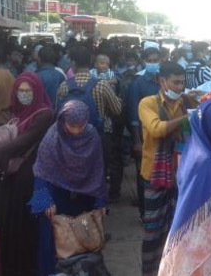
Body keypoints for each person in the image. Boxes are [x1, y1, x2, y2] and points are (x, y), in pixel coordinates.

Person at [0, 73, 54, 275]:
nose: (24, 95)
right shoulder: (17, 113)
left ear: (37, 91)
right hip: (13, 176)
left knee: (30, 221)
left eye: (29, 91)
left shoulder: (44, 114)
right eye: (20, 91)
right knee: (9, 219)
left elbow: (25, 141)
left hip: (35, 178)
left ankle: (29, 265)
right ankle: (12, 264)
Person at [29, 100, 108, 276]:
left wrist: (100, 200)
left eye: (81, 125)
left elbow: (97, 168)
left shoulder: (92, 135)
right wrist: (45, 201)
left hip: (84, 196)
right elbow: (41, 171)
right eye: (72, 126)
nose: (77, 130)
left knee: (84, 237)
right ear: (63, 121)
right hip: (56, 196)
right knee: (53, 240)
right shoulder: (52, 138)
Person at [158, 101, 211, 275]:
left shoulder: (196, 147)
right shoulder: (207, 160)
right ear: (205, 125)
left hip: (189, 233)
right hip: (205, 238)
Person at [138, 62, 198, 276]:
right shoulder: (148, 103)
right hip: (155, 174)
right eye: (175, 82)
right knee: (153, 232)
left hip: (181, 175)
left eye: (182, 83)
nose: (180, 87)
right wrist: (188, 116)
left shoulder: (186, 102)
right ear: (162, 81)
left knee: (177, 228)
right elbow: (157, 129)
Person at [56, 46, 123, 201]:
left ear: (73, 63)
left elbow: (57, 113)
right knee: (98, 172)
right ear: (91, 62)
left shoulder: (64, 86)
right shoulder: (102, 85)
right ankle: (96, 206)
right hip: (99, 136)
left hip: (71, 139)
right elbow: (117, 110)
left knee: (75, 172)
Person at [128, 47, 162, 216]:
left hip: (162, 135)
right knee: (144, 174)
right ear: (144, 61)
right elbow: (134, 115)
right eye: (150, 60)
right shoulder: (138, 83)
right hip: (144, 136)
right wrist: (136, 141)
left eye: (156, 60)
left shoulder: (162, 81)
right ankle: (144, 211)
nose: (153, 63)